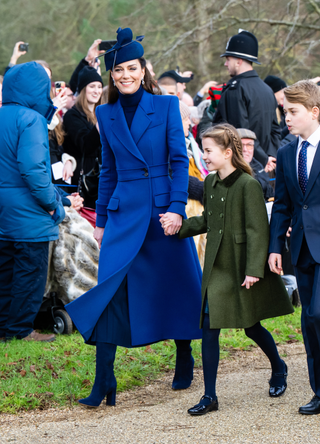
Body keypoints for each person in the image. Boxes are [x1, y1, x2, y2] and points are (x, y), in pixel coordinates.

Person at [65, 27, 202, 408]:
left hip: (163, 213)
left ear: (143, 70)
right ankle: (104, 379)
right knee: (110, 291)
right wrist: (102, 220)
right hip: (124, 215)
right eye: (118, 70)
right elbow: (108, 169)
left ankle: (184, 352)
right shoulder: (105, 114)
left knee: (175, 284)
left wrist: (176, 209)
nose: (125, 75)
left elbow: (178, 161)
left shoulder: (166, 106)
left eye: (131, 68)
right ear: (111, 75)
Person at [161, 124, 293, 416]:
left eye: (208, 151)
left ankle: (279, 366)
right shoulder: (210, 183)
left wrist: (253, 269)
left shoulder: (249, 184)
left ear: (228, 152)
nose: (204, 156)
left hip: (243, 265)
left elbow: (258, 230)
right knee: (209, 327)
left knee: (251, 326)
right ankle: (210, 396)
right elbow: (209, 219)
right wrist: (180, 226)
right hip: (217, 265)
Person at [0, 62, 65, 342]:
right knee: (30, 273)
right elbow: (33, 170)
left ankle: (4, 327)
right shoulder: (31, 119)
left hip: (4, 209)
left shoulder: (2, 115)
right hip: (29, 211)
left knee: (5, 271)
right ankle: (20, 330)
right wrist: (53, 202)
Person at [269, 80, 320, 415]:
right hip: (300, 247)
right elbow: (284, 205)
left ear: (314, 112)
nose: (287, 117)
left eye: (293, 111)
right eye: (285, 111)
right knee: (308, 322)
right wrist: (275, 247)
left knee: (317, 313)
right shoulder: (287, 152)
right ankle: (319, 391)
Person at [213, 30, 280, 171]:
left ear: (238, 61)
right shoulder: (267, 89)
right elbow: (276, 130)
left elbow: (239, 133)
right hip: (266, 167)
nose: (225, 64)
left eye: (228, 59)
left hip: (243, 166)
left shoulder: (235, 89)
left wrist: (263, 159)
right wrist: (269, 157)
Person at [63, 66, 103, 209]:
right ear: (83, 89)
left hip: (101, 179)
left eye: (99, 86)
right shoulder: (72, 115)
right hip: (83, 181)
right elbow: (85, 145)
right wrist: (100, 125)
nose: (97, 91)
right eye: (92, 86)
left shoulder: (99, 113)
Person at [237, 128, 274, 201]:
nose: (245, 149)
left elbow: (268, 191)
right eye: (240, 145)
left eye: (249, 145)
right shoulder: (228, 169)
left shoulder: (257, 165)